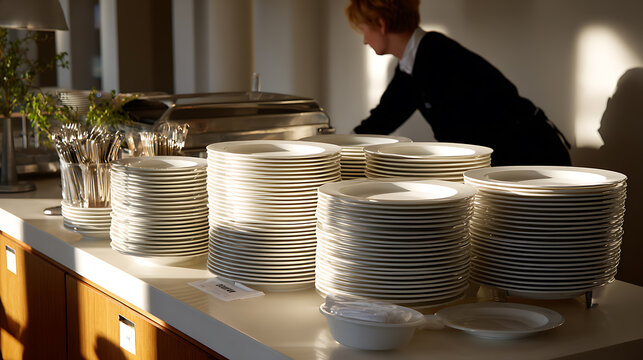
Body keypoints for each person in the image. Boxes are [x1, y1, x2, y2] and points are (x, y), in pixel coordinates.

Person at [346, 0, 571, 166]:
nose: (364, 40)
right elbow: (381, 122)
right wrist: (337, 148)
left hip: (534, 158)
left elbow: (467, 138)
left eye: (363, 29)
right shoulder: (413, 64)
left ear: (381, 24)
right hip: (519, 158)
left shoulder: (437, 56)